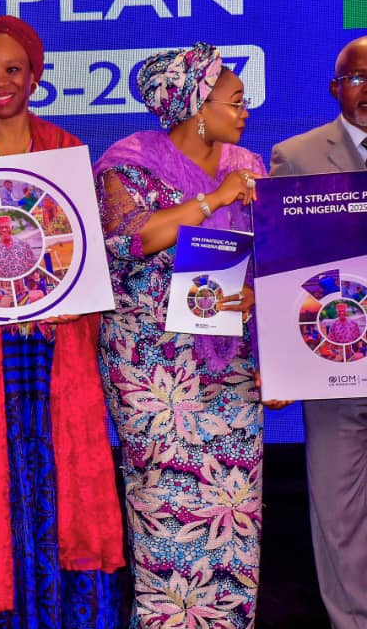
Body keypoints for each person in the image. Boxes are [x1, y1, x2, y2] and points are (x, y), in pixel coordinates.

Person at [0, 16, 124, 627]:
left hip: (56, 351)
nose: (0, 82)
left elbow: (81, 252)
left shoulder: (65, 152)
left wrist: (77, 293)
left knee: (63, 485)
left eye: (13, 69)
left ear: (35, 75)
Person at [94, 42, 284, 629]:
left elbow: (274, 256)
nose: (244, 111)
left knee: (233, 516)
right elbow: (130, 239)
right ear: (198, 106)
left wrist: (261, 307)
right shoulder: (128, 165)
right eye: (234, 100)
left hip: (229, 369)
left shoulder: (249, 165)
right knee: (166, 516)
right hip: (154, 374)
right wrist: (211, 200)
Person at [270, 35, 367, 629]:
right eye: (357, 78)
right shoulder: (297, 156)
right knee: (338, 514)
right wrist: (282, 360)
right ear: (336, 89)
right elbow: (282, 264)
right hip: (333, 365)